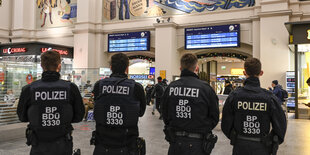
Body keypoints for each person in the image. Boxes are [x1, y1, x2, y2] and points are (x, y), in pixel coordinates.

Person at [17, 50, 85, 155]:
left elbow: (22, 117)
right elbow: (79, 116)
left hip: (38, 144)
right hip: (63, 145)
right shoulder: (70, 88)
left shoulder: (29, 89)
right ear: (59, 66)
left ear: (41, 66)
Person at [221, 58, 287, 155]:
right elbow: (281, 125)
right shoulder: (269, 98)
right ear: (261, 73)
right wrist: (270, 141)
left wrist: (235, 137)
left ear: (244, 72)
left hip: (240, 146)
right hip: (262, 147)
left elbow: (225, 123)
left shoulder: (234, 96)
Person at [161, 53, 219, 155]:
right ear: (196, 68)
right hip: (198, 144)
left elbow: (164, 113)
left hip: (175, 143)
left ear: (180, 68)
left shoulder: (170, 88)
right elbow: (214, 117)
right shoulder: (206, 89)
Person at [92, 53, 146, 155]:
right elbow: (141, 112)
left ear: (111, 67)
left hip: (102, 143)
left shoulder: (99, 85)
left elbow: (98, 106)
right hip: (127, 144)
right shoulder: (136, 88)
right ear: (127, 68)